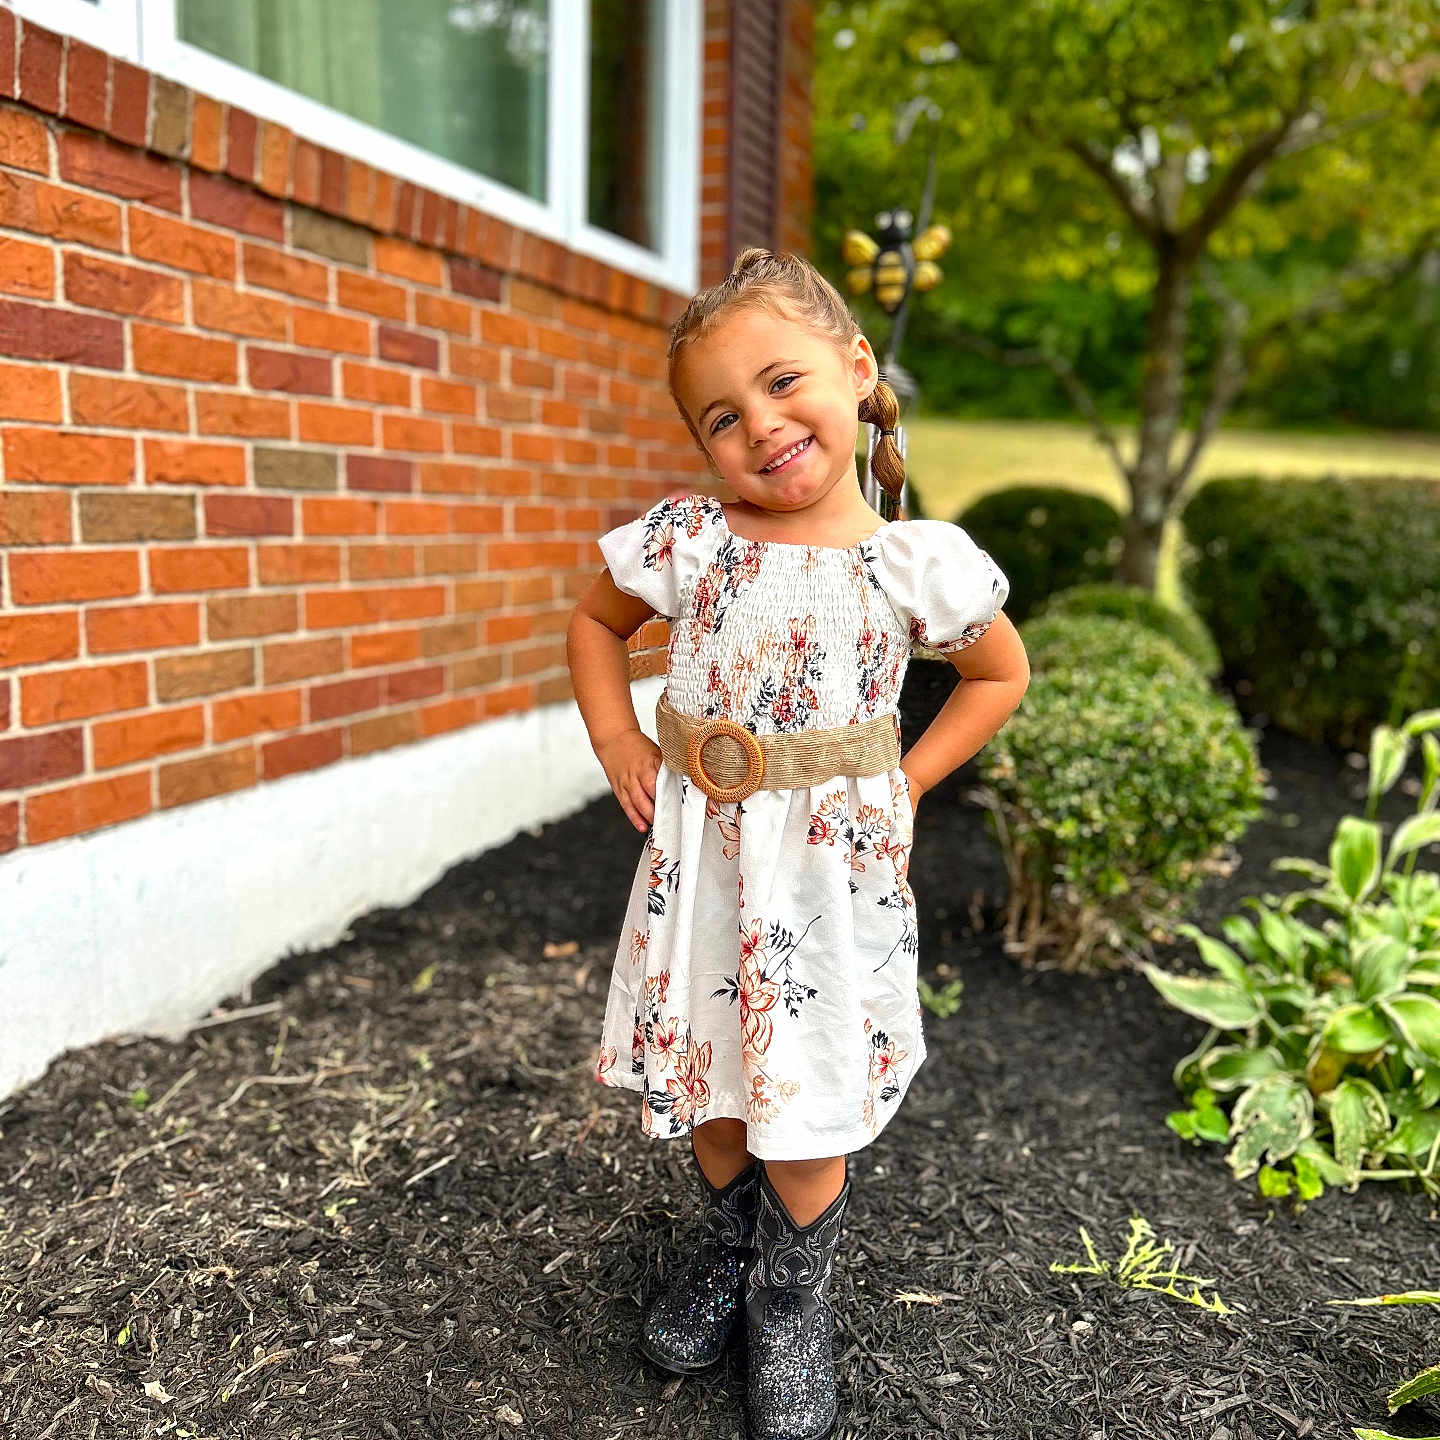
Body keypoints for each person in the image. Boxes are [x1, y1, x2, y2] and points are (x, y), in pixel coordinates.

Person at [565, 248, 1030, 1440]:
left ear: (856, 369)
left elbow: (997, 672)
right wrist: (620, 733)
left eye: (783, 383)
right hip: (705, 866)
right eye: (724, 415)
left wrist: (912, 783)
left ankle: (791, 1294)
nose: (760, 425)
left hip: (828, 874)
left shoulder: (906, 561)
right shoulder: (692, 543)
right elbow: (593, 616)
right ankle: (728, 1248)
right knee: (717, 1072)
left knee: (806, 1086)